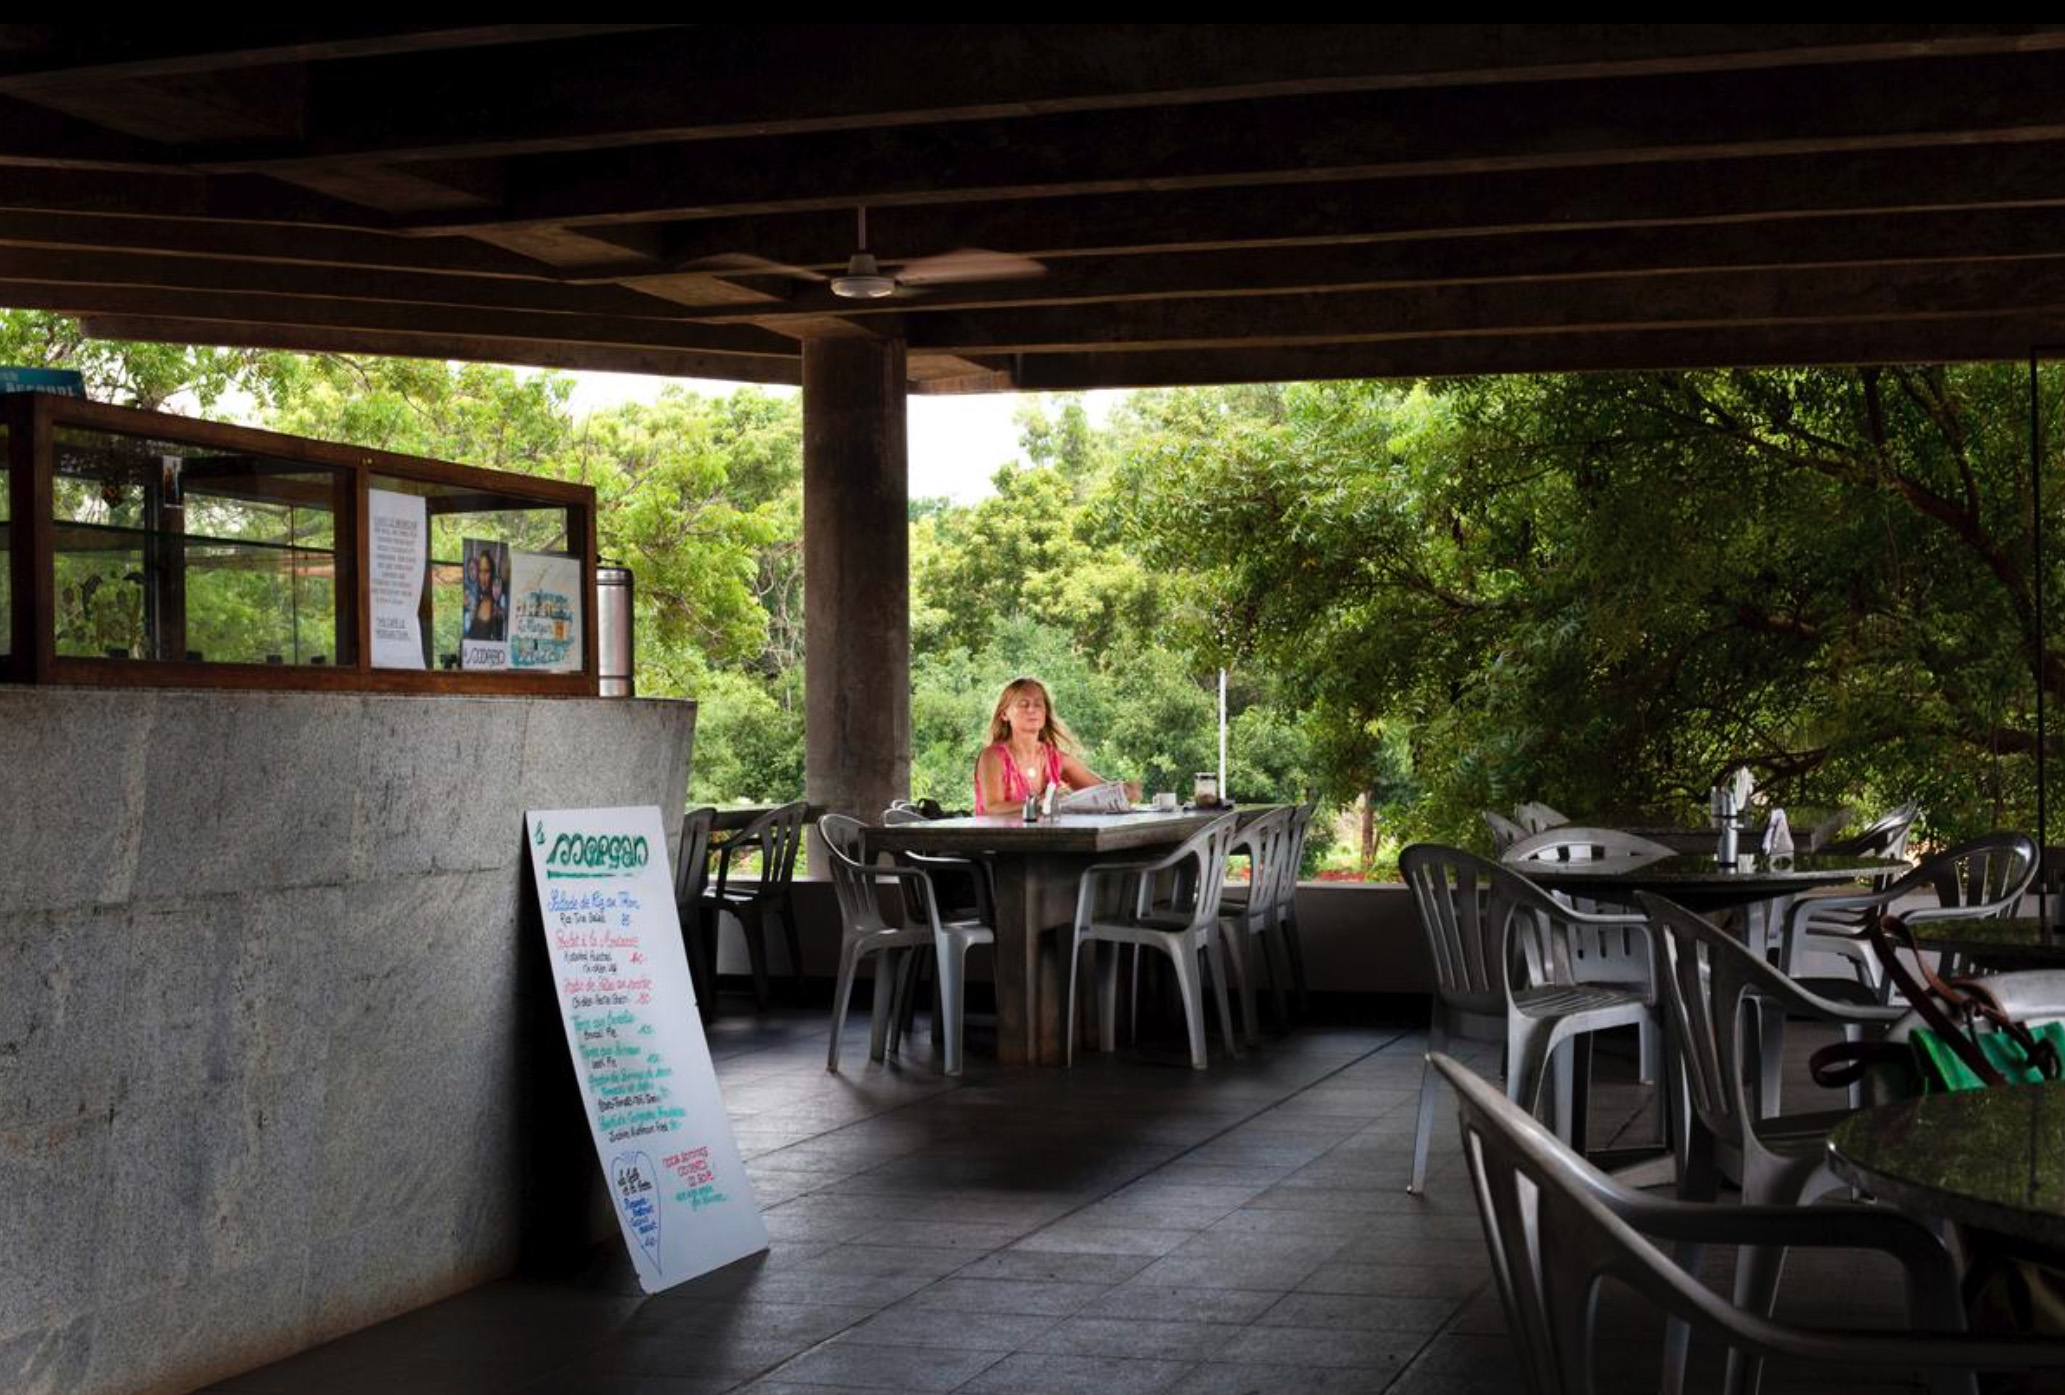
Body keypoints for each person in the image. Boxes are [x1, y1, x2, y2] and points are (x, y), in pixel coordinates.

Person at [973, 676, 1120, 815]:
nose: (1032, 709)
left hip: (1045, 834)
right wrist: (1041, 803)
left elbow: (1108, 793)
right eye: (1023, 704)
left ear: (1045, 712)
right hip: (998, 834)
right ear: (1004, 714)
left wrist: (1127, 789)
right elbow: (991, 808)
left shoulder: (1056, 759)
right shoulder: (992, 756)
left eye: (1038, 704)